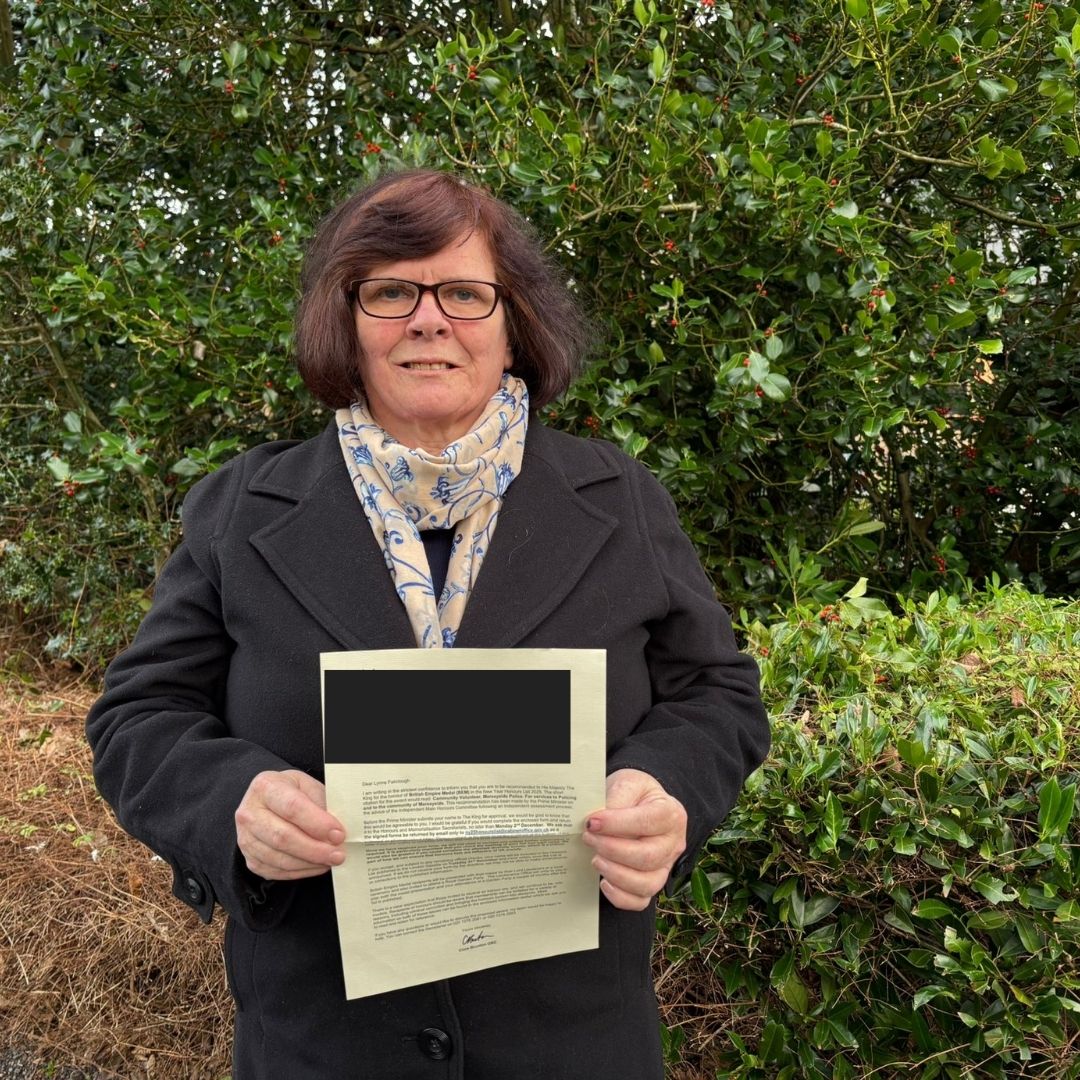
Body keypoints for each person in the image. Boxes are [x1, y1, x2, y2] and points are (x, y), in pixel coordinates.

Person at [87, 169, 770, 1080]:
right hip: (321, 1044)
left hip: (572, 1043)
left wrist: (665, 784)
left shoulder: (621, 500)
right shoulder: (242, 510)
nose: (428, 318)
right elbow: (137, 716)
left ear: (512, 319)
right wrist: (233, 801)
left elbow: (717, 692)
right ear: (348, 318)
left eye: (462, 291)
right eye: (391, 291)